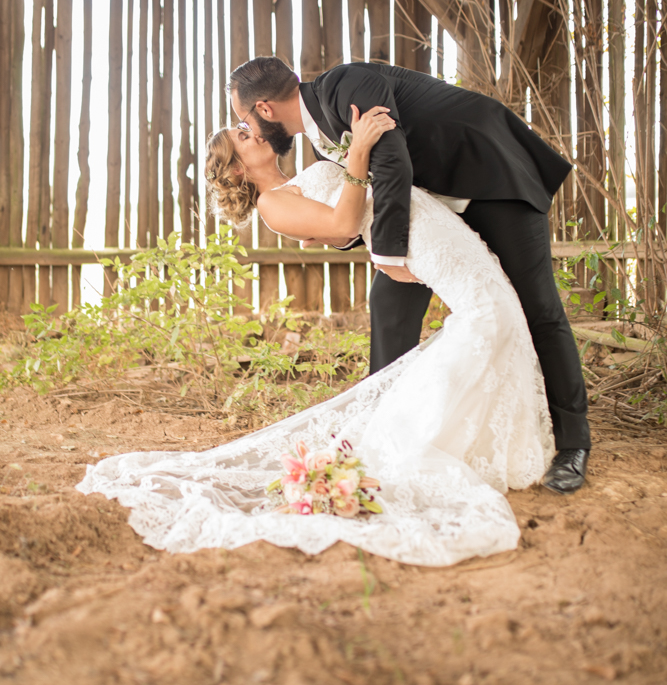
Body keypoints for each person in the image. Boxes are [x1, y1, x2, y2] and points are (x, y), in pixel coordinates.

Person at [78, 102, 554, 567]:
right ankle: (422, 439)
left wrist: (351, 200)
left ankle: (444, 431)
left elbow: (341, 225)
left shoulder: (297, 182)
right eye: (241, 137)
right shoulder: (272, 205)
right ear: (238, 170)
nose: (253, 131)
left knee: (495, 312)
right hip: (421, 237)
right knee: (489, 316)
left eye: (247, 128)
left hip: (427, 227)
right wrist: (360, 152)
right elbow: (345, 220)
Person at [227, 57, 590, 495]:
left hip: (490, 180)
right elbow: (363, 201)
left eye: (244, 120)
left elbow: (393, 160)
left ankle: (573, 446)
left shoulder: (345, 84)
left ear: (264, 110)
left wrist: (389, 251)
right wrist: (336, 236)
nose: (249, 130)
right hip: (433, 214)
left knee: (538, 308)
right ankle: (382, 437)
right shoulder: (320, 133)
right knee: (388, 304)